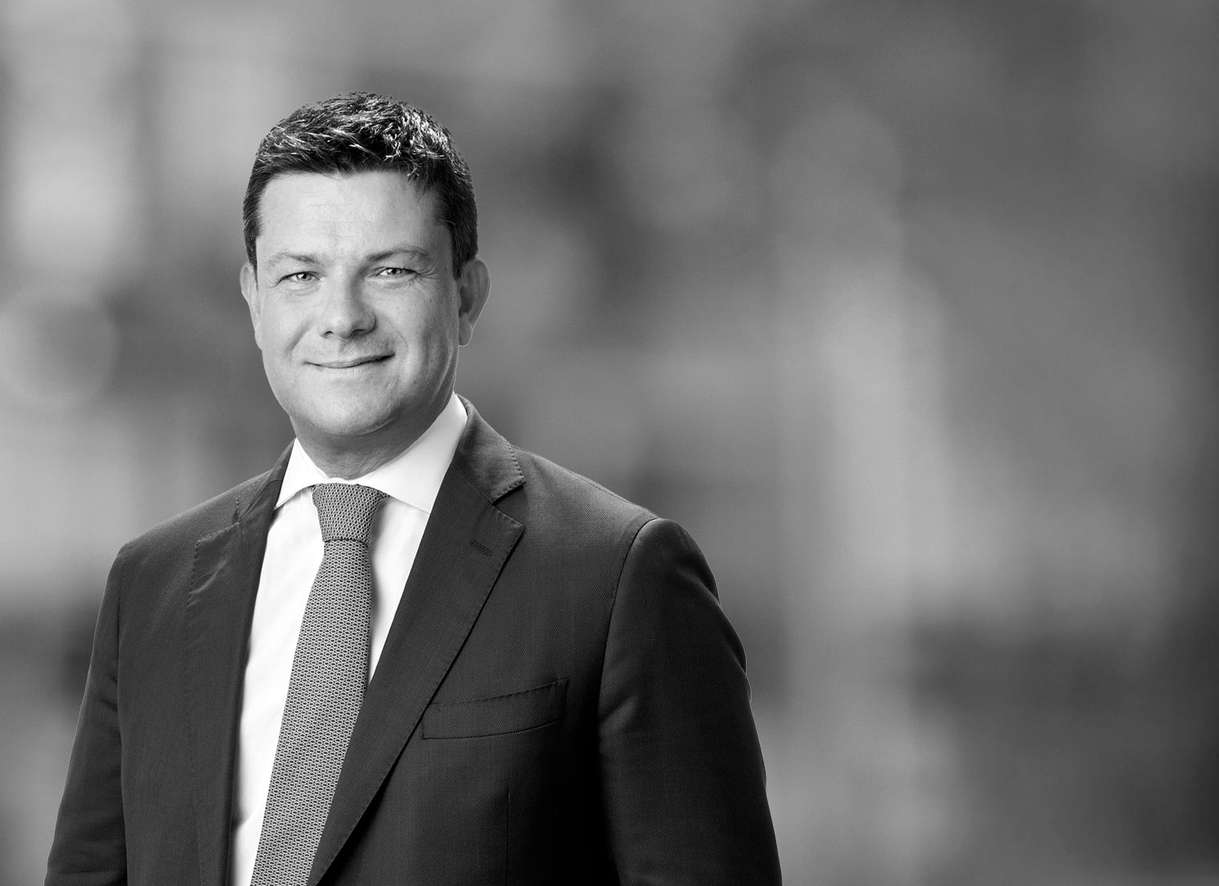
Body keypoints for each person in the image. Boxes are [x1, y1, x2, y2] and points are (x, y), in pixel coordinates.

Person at [45, 92, 780, 886]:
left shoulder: (616, 579)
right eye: (300, 275)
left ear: (466, 295)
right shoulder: (152, 587)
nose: (341, 317)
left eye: (391, 271)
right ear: (254, 300)